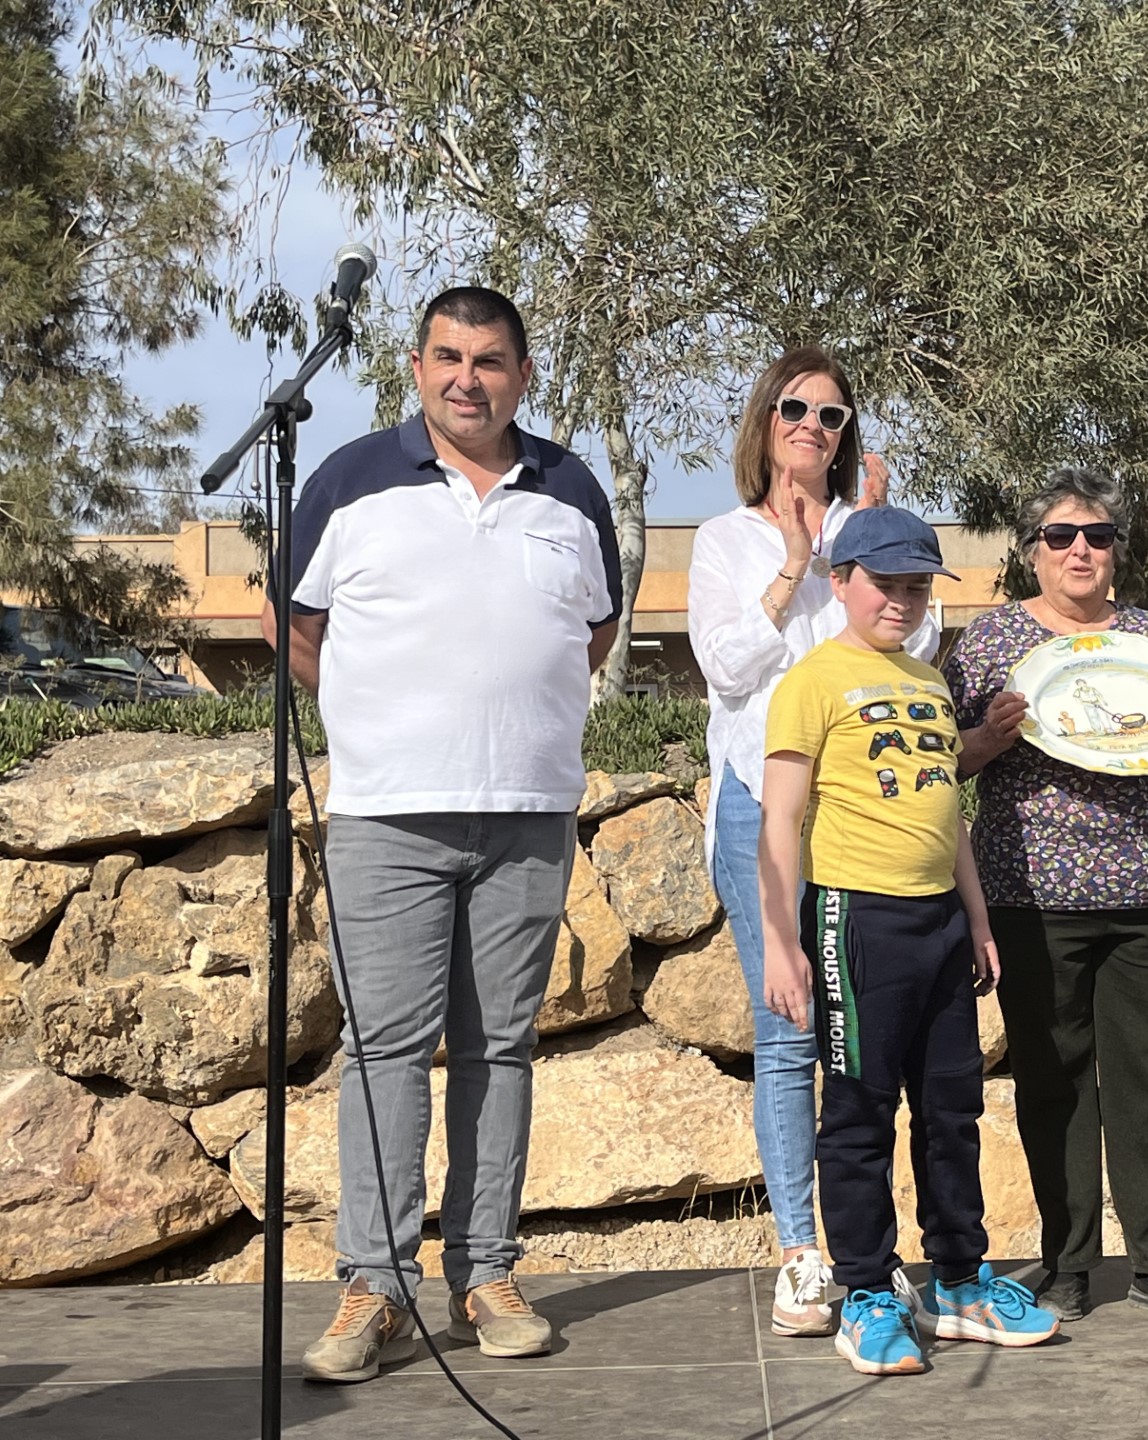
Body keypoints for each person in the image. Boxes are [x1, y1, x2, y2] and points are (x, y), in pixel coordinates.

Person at [266, 287, 621, 1382]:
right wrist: (381, 720)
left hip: (525, 817)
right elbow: (295, 623)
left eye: (491, 360)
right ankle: (374, 1286)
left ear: (523, 373)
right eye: (447, 357)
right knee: (381, 1053)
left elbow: (593, 636)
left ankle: (484, 1273)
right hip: (386, 816)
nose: (467, 378)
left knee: (499, 1048)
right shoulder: (348, 482)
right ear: (415, 367)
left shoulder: (571, 492)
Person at [758, 506, 1060, 1376]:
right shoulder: (812, 681)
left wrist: (973, 915)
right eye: (884, 583)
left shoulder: (929, 684)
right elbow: (780, 820)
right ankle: (866, 1292)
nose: (901, 600)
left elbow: (946, 811)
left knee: (951, 1107)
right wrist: (782, 941)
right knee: (858, 1111)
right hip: (855, 916)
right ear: (840, 581)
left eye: (917, 585)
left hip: (937, 922)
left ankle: (960, 1280)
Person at [943, 467, 1148, 1323]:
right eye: (1062, 536)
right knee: (1053, 1082)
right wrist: (988, 737)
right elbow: (945, 760)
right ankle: (1067, 1264)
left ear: (1117, 551)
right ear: (1032, 551)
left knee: (1146, 1082)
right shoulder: (992, 641)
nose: (1081, 550)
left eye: (1099, 536)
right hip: (1031, 894)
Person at [688, 346, 936, 1338]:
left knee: (866, 1040)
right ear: (766, 420)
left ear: (847, 437)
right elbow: (730, 669)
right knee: (790, 1031)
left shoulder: (869, 536)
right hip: (761, 804)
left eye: (832, 415)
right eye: (795, 408)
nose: (812, 426)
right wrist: (797, 566)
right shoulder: (723, 540)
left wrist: (870, 542)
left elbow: (914, 653)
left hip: (870, 812)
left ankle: (868, 1255)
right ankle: (802, 1253)